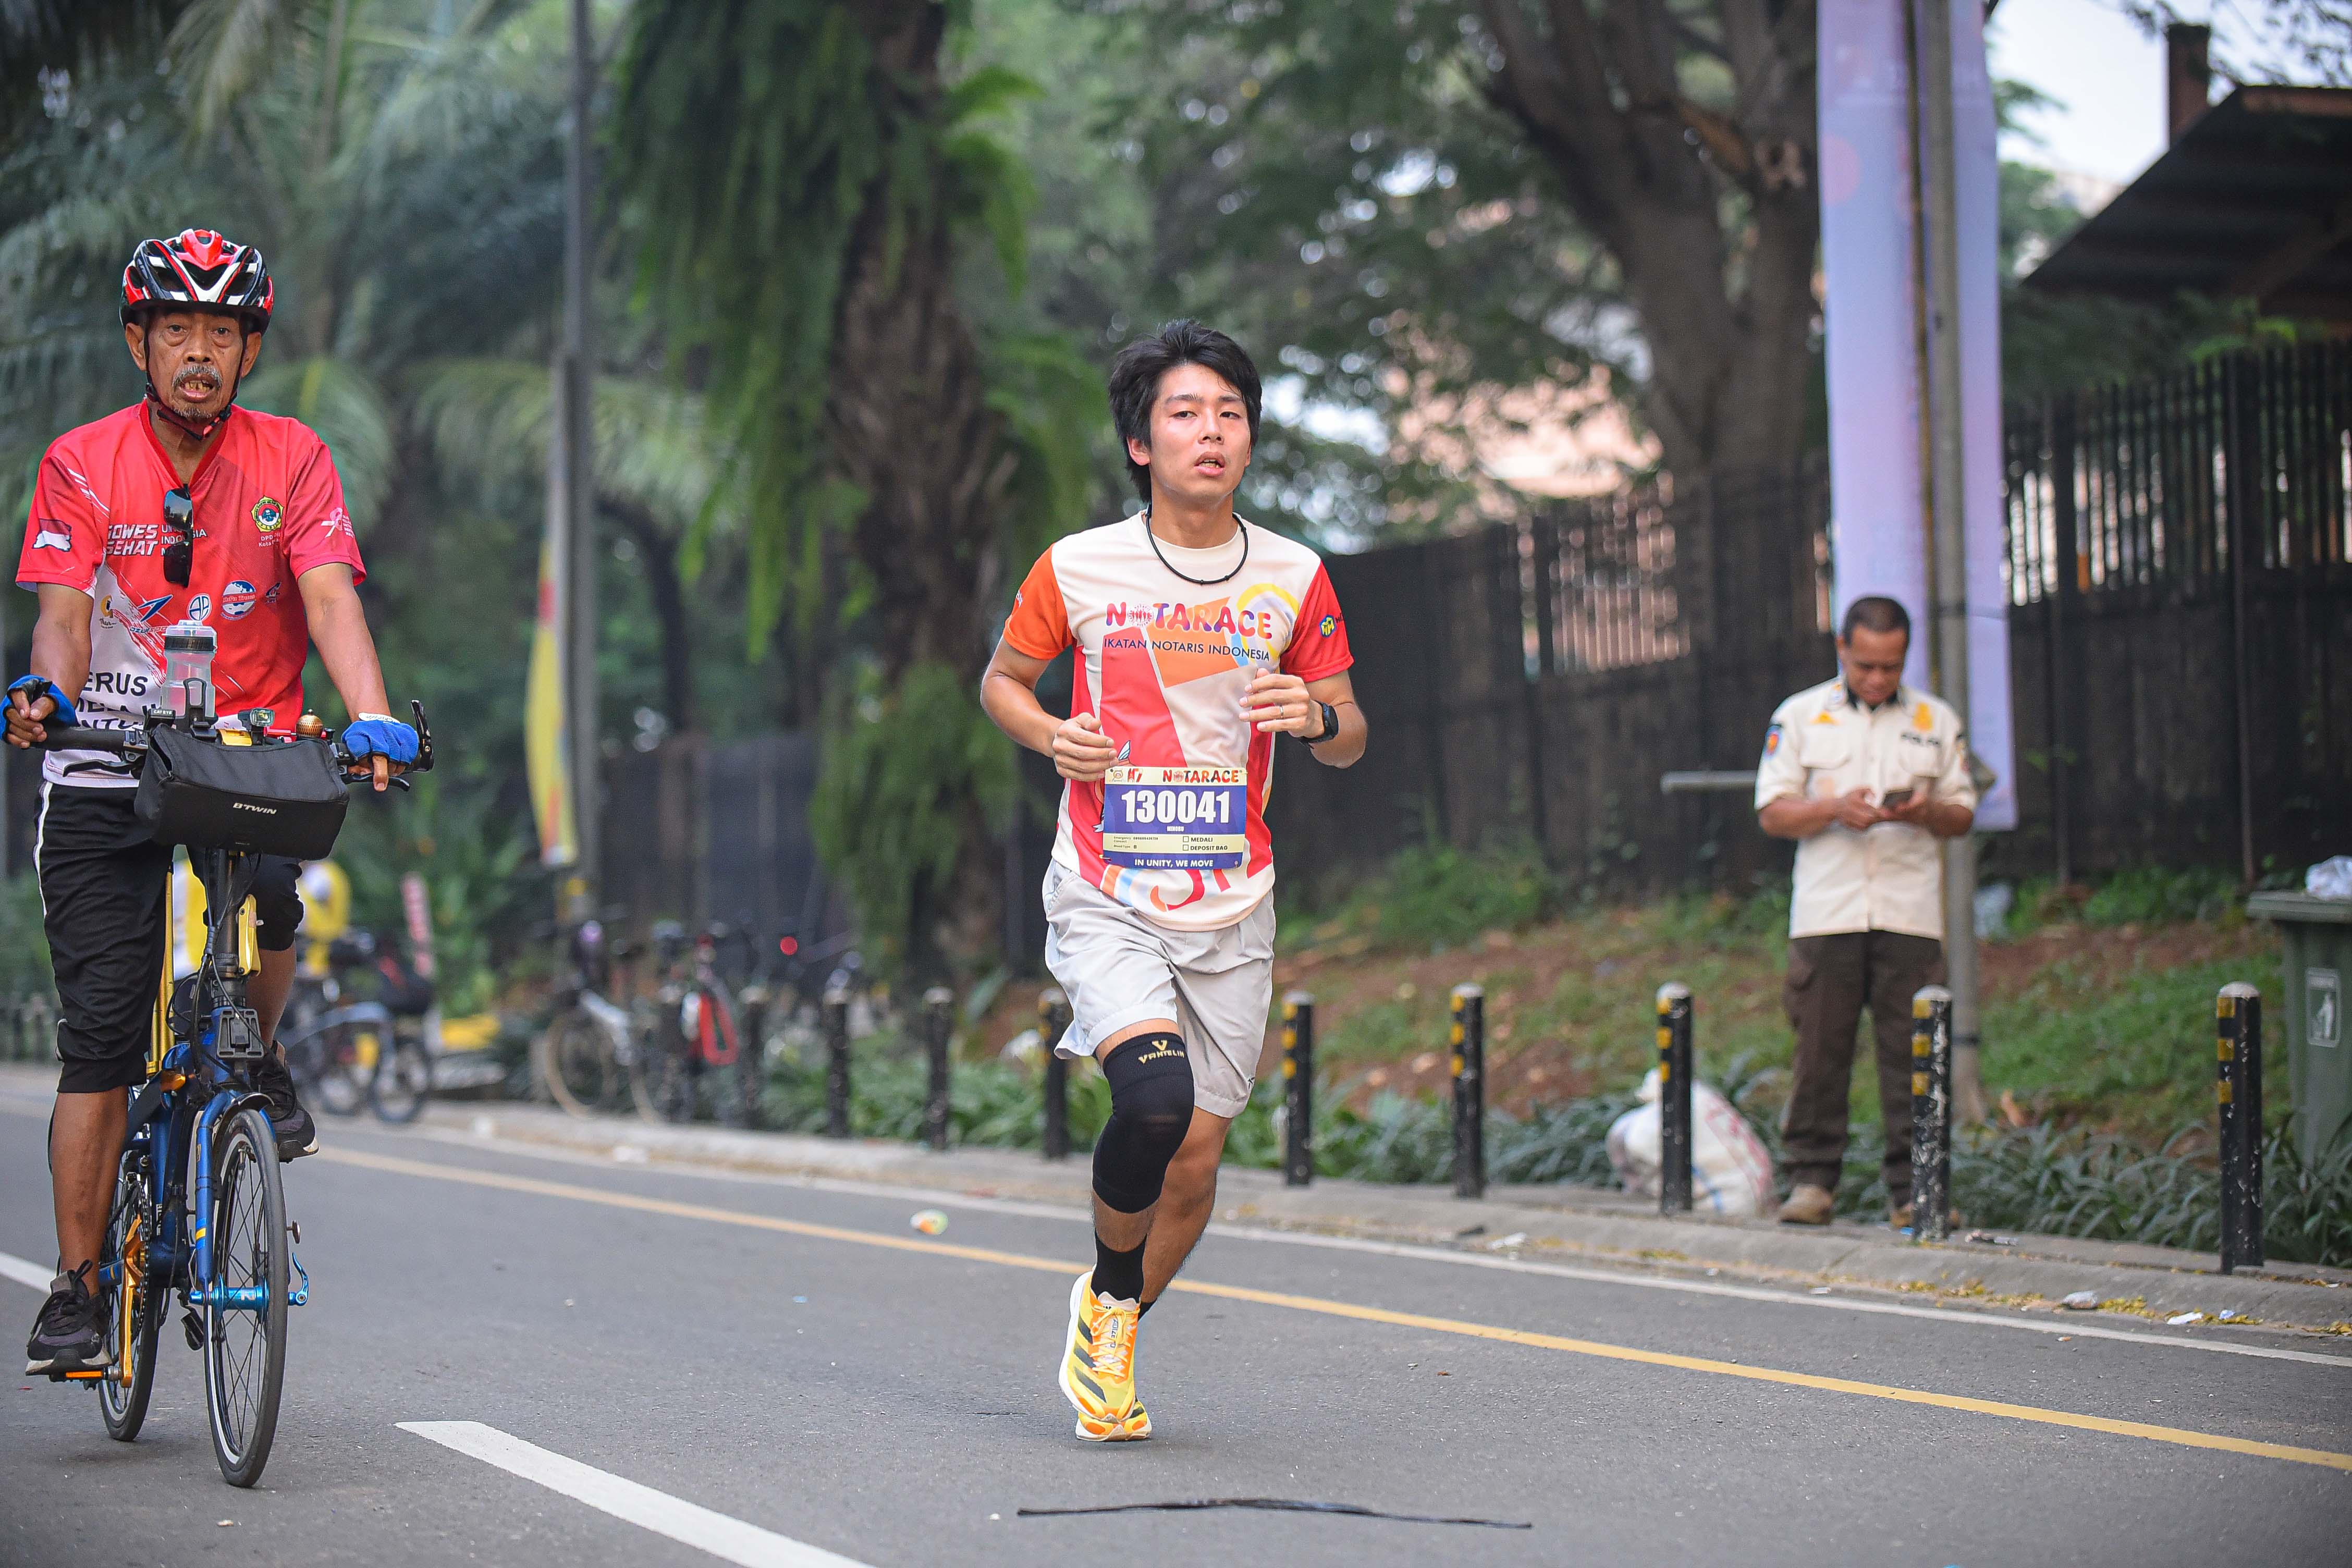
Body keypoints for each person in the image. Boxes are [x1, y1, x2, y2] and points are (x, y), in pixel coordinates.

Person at [15, 229, 419, 1378]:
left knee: (277, 902)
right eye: (178, 331)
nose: (199, 353)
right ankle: (80, 1287)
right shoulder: (82, 461)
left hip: (242, 758)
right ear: (139, 344)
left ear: (249, 352)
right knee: (102, 1034)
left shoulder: (295, 457)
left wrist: (372, 715)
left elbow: (330, 600)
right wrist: (49, 693)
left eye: (222, 334)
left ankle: (260, 1054)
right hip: (106, 762)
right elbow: (61, 615)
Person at [979, 320, 1365, 1440]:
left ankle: (1112, 1317)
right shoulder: (1076, 565)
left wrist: (1316, 714)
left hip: (1234, 900)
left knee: (1194, 1162)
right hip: (1106, 885)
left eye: (1229, 413)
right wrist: (1053, 734)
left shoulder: (1295, 575)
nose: (1211, 432)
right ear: (1141, 442)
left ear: (1249, 436)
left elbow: (1350, 732)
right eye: (1186, 413)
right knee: (1152, 1101)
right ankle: (1110, 1295)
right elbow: (1003, 682)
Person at [1754, 595, 1976, 1228]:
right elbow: (1772, 812)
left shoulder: (1936, 719)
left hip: (1909, 912)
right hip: (1829, 911)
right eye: (1866, 665)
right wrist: (1832, 809)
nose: (1878, 678)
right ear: (1842, 649)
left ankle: (1915, 1190)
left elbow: (1962, 814)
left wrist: (1925, 811)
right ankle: (1811, 1182)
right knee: (1820, 1051)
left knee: (1913, 1054)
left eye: (1891, 665)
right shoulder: (1800, 715)